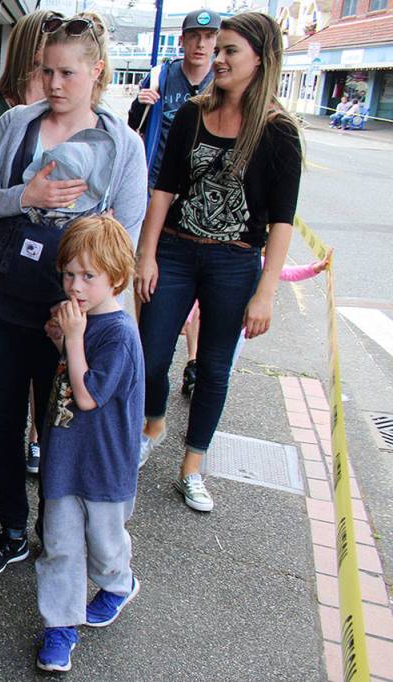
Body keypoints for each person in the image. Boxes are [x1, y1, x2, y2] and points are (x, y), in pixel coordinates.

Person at [0, 12, 147, 577]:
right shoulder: (15, 124)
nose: (54, 84)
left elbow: (124, 247)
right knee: (1, 421)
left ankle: (55, 536)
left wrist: (84, 314)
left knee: (60, 427)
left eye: (67, 72)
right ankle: (12, 530)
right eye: (46, 71)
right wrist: (26, 194)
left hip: (68, 316)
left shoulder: (123, 145)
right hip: (0, 301)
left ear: (97, 72)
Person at [134, 12, 303, 511]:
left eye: (230, 50)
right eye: (218, 48)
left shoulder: (279, 132)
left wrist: (266, 293)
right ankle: (154, 424)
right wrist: (147, 254)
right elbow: (163, 188)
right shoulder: (191, 112)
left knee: (213, 368)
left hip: (235, 262)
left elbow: (283, 221)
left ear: (260, 59)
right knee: (150, 352)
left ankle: (192, 467)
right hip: (176, 249)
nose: (218, 57)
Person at [33, 215, 144, 672]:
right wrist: (64, 341)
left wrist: (73, 341)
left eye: (88, 276)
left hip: (104, 463)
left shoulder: (118, 333)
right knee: (59, 544)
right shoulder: (80, 321)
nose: (75, 285)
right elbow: (73, 372)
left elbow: (87, 395)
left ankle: (119, 584)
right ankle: (60, 627)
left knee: (103, 544)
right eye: (69, 273)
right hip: (65, 454)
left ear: (116, 278)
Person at [0, 8, 65, 474]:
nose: (56, 75)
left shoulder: (84, 122)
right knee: (9, 379)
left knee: (47, 375)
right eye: (49, 51)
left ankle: (38, 437)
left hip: (55, 275)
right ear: (32, 50)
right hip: (2, 263)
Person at [177, 249, 332, 399]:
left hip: (238, 330)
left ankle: (205, 398)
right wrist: (187, 318)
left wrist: (314, 268)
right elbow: (198, 295)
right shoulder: (220, 263)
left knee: (223, 372)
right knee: (207, 364)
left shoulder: (258, 262)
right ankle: (197, 382)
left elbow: (287, 272)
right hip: (211, 323)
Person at [127, 8, 221, 190]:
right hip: (156, 182)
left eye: (209, 36)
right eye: (194, 36)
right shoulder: (160, 77)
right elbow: (134, 127)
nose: (201, 44)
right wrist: (140, 104)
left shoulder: (222, 81)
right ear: (182, 40)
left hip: (200, 188)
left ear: (217, 42)